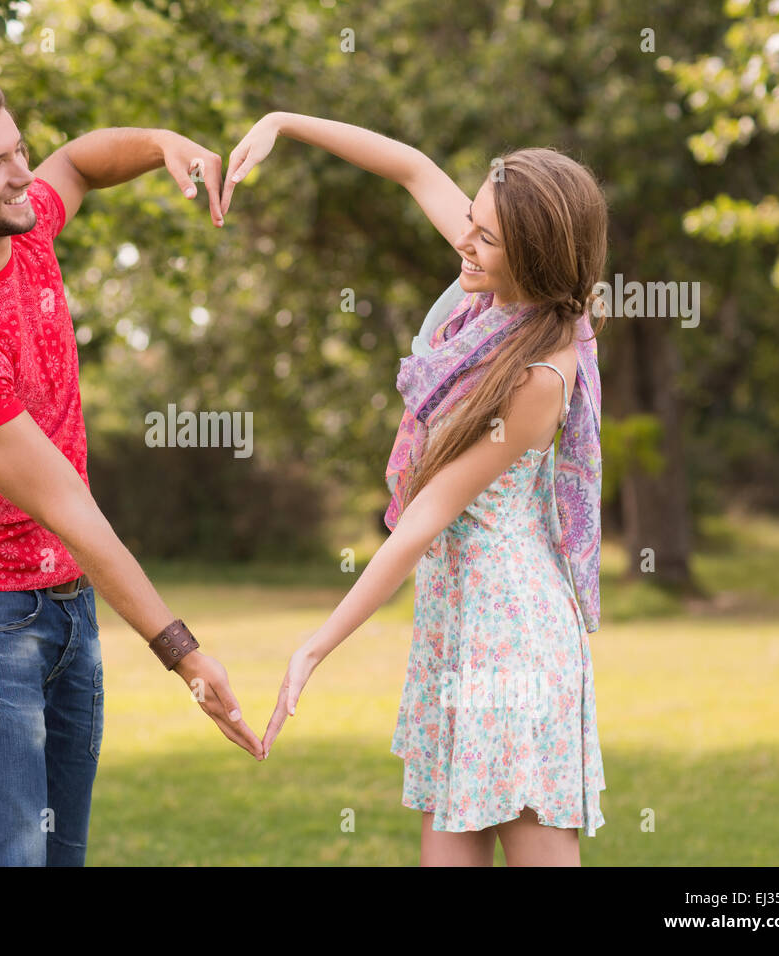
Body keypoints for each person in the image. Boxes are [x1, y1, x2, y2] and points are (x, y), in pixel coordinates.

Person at [0, 72, 264, 867]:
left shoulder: (24, 229)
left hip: (68, 607)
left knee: (57, 855)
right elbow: (70, 505)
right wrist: (183, 651)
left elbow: (79, 162)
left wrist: (160, 144)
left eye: (18, 150)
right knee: (7, 857)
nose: (23, 172)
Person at [221, 112, 609, 866]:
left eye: (486, 237)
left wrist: (315, 646)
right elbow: (409, 165)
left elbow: (428, 512)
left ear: (534, 254)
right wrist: (283, 124)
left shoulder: (538, 373)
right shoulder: (488, 290)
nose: (464, 240)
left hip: (511, 635)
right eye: (470, 220)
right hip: (457, 620)